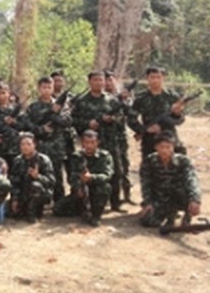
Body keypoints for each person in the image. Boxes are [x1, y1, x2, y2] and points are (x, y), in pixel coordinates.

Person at [70, 71, 125, 212]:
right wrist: (88, 123)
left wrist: (111, 119)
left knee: (116, 172)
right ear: (89, 82)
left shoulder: (112, 100)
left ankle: (115, 203)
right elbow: (73, 120)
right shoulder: (81, 101)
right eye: (95, 80)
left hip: (110, 141)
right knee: (87, 172)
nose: (99, 83)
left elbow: (121, 119)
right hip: (89, 145)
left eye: (101, 80)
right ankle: (89, 202)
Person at [23, 76, 72, 203]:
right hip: (40, 145)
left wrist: (55, 115)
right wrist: (41, 130)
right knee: (39, 173)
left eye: (49, 87)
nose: (46, 90)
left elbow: (68, 121)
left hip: (57, 145)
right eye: (44, 87)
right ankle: (41, 201)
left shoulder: (61, 105)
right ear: (39, 88)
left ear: (53, 88)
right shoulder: (33, 107)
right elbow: (27, 125)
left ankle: (59, 201)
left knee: (57, 175)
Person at [139, 132, 201, 229]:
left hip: (180, 196)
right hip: (161, 197)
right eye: (161, 147)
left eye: (168, 147)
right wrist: (148, 203)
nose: (164, 150)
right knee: (147, 221)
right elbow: (146, 183)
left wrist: (195, 200)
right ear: (156, 147)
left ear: (173, 147)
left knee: (185, 196)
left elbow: (192, 180)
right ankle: (169, 214)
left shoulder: (183, 161)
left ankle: (186, 215)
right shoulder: (149, 161)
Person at [127, 66, 187, 158]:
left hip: (170, 138)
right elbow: (131, 119)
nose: (155, 80)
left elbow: (180, 120)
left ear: (163, 78)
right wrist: (144, 129)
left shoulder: (172, 96)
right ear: (147, 78)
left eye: (158, 77)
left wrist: (177, 113)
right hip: (149, 139)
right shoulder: (141, 98)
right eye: (152, 77)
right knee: (150, 167)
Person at [64, 130, 113, 226]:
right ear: (82, 143)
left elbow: (107, 175)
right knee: (58, 209)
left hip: (96, 188)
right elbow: (72, 176)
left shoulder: (105, 156)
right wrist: (78, 187)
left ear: (98, 142)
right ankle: (83, 210)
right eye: (86, 142)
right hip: (81, 188)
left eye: (92, 142)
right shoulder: (76, 156)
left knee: (105, 187)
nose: (89, 146)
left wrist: (91, 177)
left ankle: (96, 215)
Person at [9, 133, 56, 223]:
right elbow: (14, 181)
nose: (25, 147)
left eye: (28, 144)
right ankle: (23, 208)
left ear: (35, 145)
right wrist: (15, 198)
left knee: (36, 185)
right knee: (11, 213)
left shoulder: (43, 160)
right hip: (23, 192)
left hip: (41, 193)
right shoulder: (18, 160)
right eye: (22, 144)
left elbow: (52, 181)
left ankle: (32, 212)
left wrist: (38, 176)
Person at [104, 70, 134, 204]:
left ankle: (127, 195)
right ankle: (109, 198)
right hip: (104, 138)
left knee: (124, 166)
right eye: (106, 80)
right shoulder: (102, 97)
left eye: (111, 80)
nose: (108, 83)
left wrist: (125, 99)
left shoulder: (122, 96)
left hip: (120, 137)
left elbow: (130, 113)